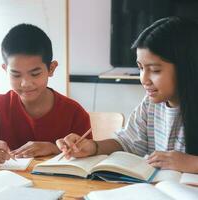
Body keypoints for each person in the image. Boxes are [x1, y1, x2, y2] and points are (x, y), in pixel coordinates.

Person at [56, 17, 198, 173]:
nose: (144, 79)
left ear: (186, 67)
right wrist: (93, 147)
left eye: (155, 70)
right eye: (141, 68)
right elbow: (127, 142)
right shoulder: (150, 105)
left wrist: (192, 163)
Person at [0, 23, 91, 166]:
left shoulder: (74, 112)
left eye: (35, 74)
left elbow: (90, 158)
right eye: (15, 75)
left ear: (51, 68)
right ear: (5, 70)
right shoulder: (0, 106)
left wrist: (54, 149)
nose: (25, 83)